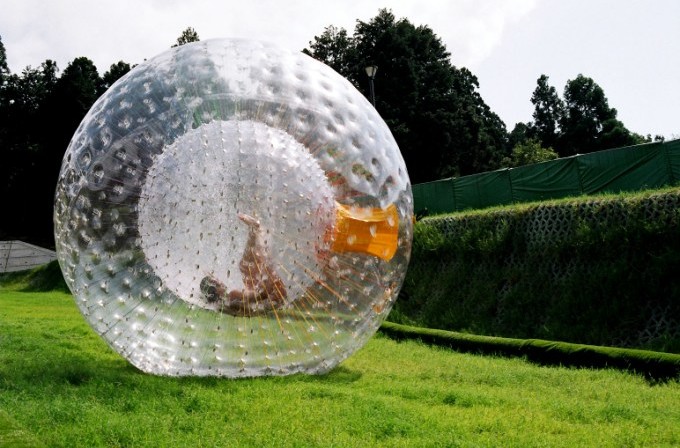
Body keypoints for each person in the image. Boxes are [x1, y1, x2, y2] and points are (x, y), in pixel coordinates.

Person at [200, 213, 287, 316]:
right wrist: (267, 280)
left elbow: (255, 300)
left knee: (248, 265)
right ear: (216, 291)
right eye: (217, 283)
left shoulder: (226, 303)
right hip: (275, 293)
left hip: (275, 296)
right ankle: (254, 231)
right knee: (245, 266)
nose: (220, 281)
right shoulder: (232, 296)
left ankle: (255, 232)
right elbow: (260, 295)